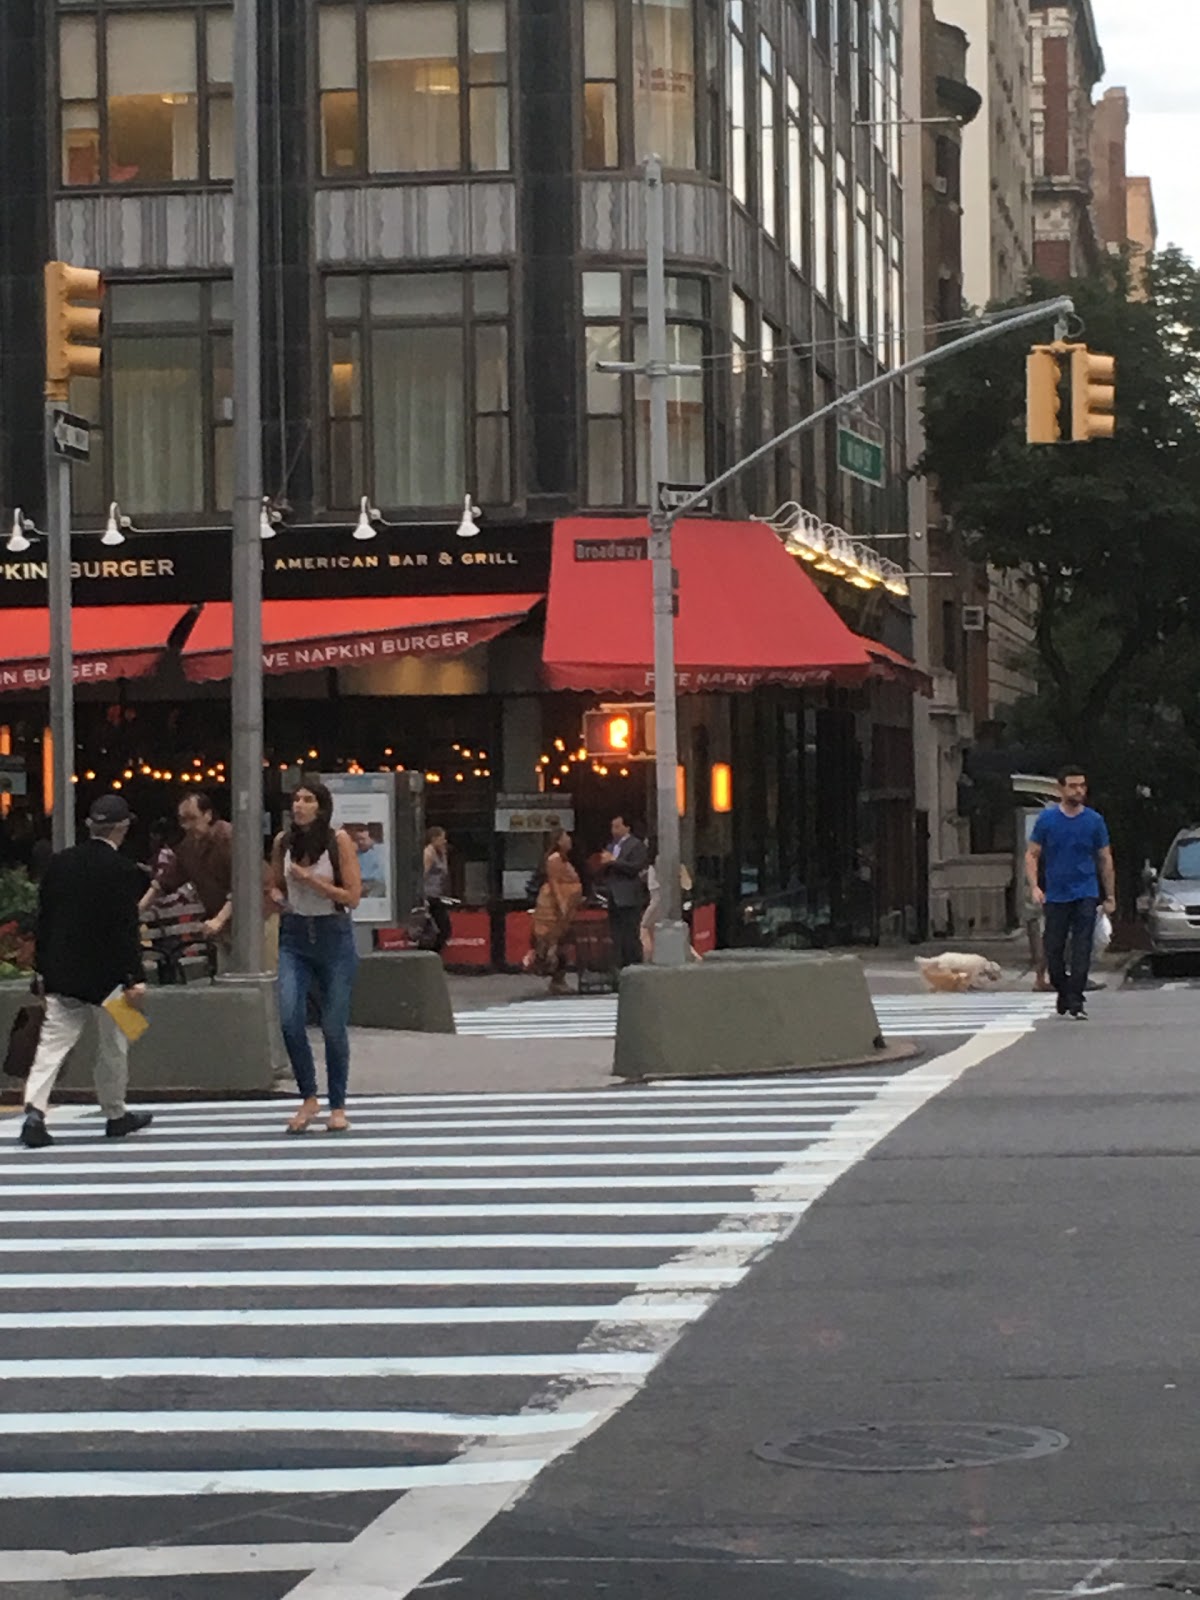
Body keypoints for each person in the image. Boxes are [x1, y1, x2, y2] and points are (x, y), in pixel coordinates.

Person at [18, 794, 152, 1150]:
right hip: (109, 979)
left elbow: (44, 921)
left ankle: (35, 1110)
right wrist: (135, 977)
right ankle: (115, 1113)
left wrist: (42, 969)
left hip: (63, 973)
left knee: (53, 1043)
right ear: (122, 828)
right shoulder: (123, 871)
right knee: (114, 1045)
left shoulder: (60, 864)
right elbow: (125, 928)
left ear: (90, 826)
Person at [270, 781, 362, 1135]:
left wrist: (311, 882)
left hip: (333, 935)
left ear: (321, 807)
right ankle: (309, 1095)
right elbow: (275, 882)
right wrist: (278, 893)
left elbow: (352, 896)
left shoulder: (337, 842)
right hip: (295, 934)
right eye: (295, 799)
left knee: (333, 1025)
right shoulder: (284, 842)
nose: (299, 805)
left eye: (308, 800)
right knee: (290, 1018)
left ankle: (337, 1103)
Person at [1025, 765, 1115, 1021]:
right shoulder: (1047, 820)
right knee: (1053, 949)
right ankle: (1063, 990)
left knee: (1081, 946)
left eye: (1082, 786)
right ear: (1061, 789)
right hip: (1055, 894)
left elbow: (1104, 858)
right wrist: (1035, 886)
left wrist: (1110, 895)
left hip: (1086, 891)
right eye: (1073, 785)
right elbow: (1032, 854)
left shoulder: (1094, 821)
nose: (1079, 790)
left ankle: (1076, 1000)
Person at [140, 791, 233, 968]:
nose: (187, 826)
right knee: (227, 977)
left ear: (208, 815)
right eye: (183, 820)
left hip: (255, 917)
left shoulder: (228, 838)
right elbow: (165, 881)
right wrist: (139, 910)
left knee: (257, 976)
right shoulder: (188, 846)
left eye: (192, 818)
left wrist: (220, 919)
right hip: (221, 922)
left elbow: (244, 885)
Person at [525, 829, 584, 994]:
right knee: (556, 942)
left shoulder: (564, 860)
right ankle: (555, 977)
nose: (569, 840)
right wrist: (562, 905)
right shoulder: (555, 859)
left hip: (564, 908)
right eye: (566, 837)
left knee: (562, 942)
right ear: (558, 841)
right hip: (554, 910)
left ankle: (558, 978)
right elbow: (555, 884)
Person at [599, 814, 649, 969]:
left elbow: (636, 866)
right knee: (617, 934)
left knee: (630, 934)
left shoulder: (636, 845)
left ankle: (634, 963)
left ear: (627, 827)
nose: (614, 830)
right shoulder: (611, 846)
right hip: (613, 895)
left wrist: (614, 861)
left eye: (617, 826)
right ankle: (619, 965)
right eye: (612, 827)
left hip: (628, 895)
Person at [641, 857, 696, 964]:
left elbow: (659, 888)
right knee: (651, 929)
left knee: (646, 927)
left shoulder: (660, 860)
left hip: (660, 899)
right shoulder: (656, 863)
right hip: (659, 899)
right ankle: (651, 955)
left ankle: (649, 956)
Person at [422, 826, 453, 954]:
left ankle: (433, 953)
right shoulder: (428, 853)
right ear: (434, 839)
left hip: (437, 895)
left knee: (443, 928)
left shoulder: (440, 853)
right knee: (442, 928)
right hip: (430, 895)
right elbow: (423, 874)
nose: (444, 841)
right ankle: (430, 952)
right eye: (442, 839)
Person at [346, 823, 387, 897]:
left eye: (362, 839)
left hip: (375, 883)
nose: (360, 842)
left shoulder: (381, 850)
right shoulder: (355, 854)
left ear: (370, 838)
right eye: (357, 840)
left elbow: (382, 874)